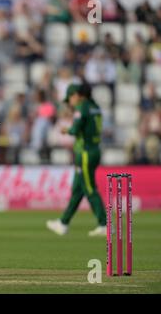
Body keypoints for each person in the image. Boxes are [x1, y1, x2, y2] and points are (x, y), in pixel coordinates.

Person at [46, 84, 107, 237]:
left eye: (70, 98)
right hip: (94, 149)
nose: (70, 102)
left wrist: (67, 129)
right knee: (77, 190)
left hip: (85, 152)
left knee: (89, 188)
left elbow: (75, 128)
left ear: (77, 95)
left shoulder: (83, 107)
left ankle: (104, 224)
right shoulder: (95, 106)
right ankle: (63, 223)